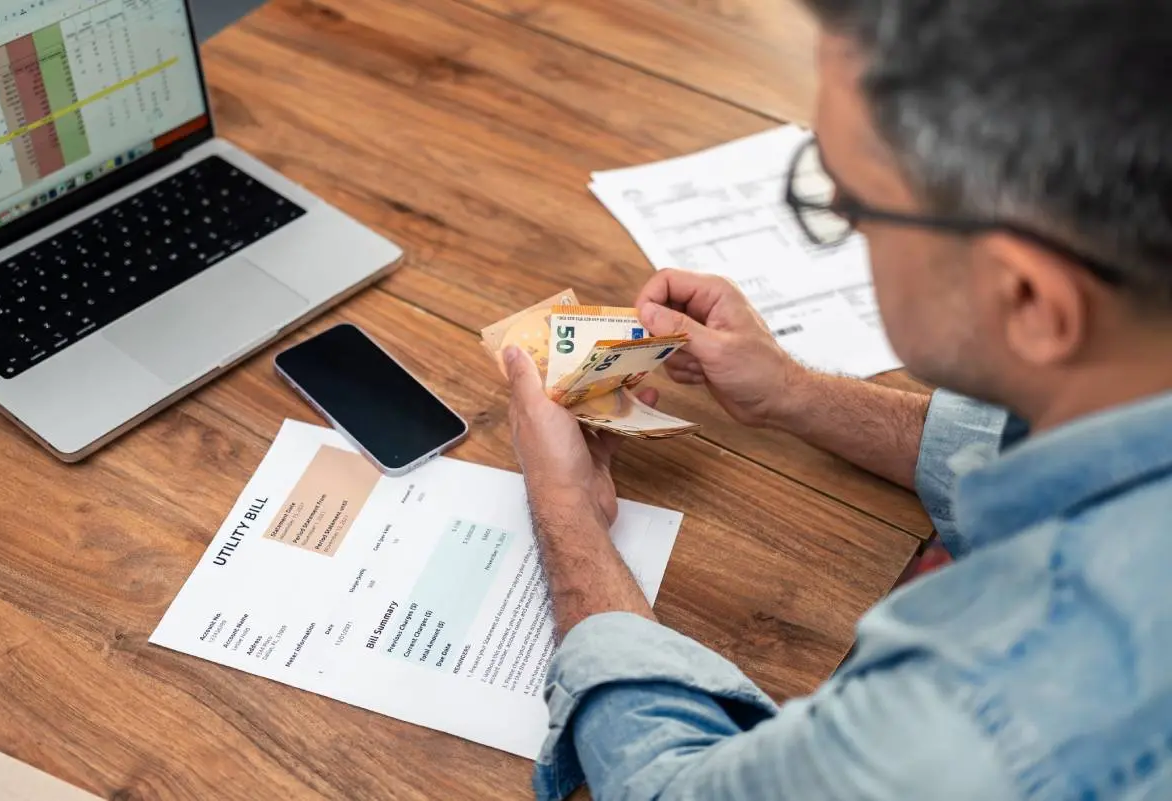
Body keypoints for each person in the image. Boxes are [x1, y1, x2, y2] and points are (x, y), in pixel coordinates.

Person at [501, 0, 1172, 799]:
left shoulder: (983, 715)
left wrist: (566, 514)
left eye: (850, 202)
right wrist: (792, 393)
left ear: (1029, 298)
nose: (845, 221)